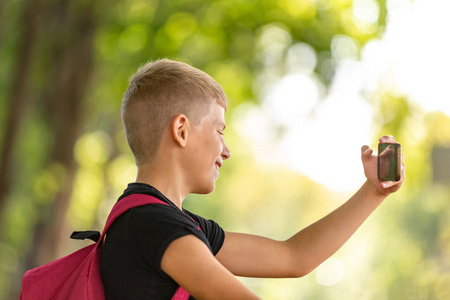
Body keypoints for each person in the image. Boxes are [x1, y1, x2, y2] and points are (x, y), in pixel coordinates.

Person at [100, 59, 406, 300]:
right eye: (219, 131)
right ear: (181, 131)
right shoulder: (153, 226)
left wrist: (373, 192)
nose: (226, 150)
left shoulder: (174, 224)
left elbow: (293, 257)